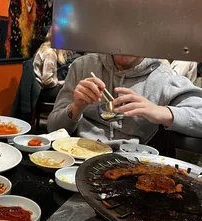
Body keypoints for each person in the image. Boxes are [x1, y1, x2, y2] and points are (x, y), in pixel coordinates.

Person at [47, 54, 202, 143]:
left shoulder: (163, 78)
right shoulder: (83, 66)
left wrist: (162, 112)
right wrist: (76, 108)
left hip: (130, 164)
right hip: (76, 156)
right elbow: (53, 128)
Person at [33, 28, 69, 102]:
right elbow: (46, 80)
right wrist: (58, 82)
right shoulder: (50, 53)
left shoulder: (43, 47)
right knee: (69, 91)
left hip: (38, 90)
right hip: (43, 92)